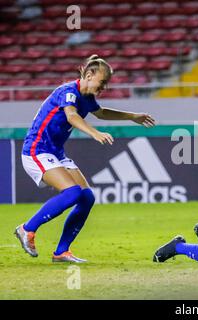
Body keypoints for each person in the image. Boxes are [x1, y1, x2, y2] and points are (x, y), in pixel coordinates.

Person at [15, 55, 155, 263]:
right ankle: (27, 229)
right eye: (102, 82)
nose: (104, 87)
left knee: (86, 198)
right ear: (89, 75)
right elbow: (71, 116)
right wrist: (94, 133)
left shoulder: (86, 97)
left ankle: (61, 252)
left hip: (55, 153)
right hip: (37, 150)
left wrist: (132, 116)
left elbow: (102, 113)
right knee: (71, 193)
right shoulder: (67, 92)